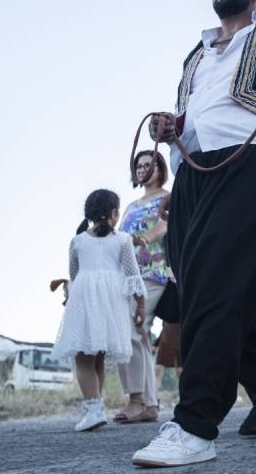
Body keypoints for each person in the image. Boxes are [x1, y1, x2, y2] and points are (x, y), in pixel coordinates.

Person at [132, 0, 256, 467]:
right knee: (198, 296)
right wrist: (172, 126)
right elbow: (196, 112)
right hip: (193, 171)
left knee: (215, 287)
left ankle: (195, 426)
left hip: (251, 160)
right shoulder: (197, 52)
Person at [52, 189, 146, 432]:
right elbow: (132, 274)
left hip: (85, 298)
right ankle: (96, 407)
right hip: (112, 301)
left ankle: (93, 409)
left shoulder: (78, 241)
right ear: (114, 213)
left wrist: (68, 298)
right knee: (99, 355)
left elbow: (74, 275)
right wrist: (141, 306)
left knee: (83, 357)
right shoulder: (123, 239)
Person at [115, 150, 171, 424]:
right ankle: (150, 405)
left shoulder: (167, 198)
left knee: (130, 330)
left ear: (161, 169)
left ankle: (134, 399)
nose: (143, 169)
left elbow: (163, 228)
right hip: (128, 275)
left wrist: (142, 240)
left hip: (153, 271)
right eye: (139, 165)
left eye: (149, 165)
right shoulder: (132, 205)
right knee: (141, 335)